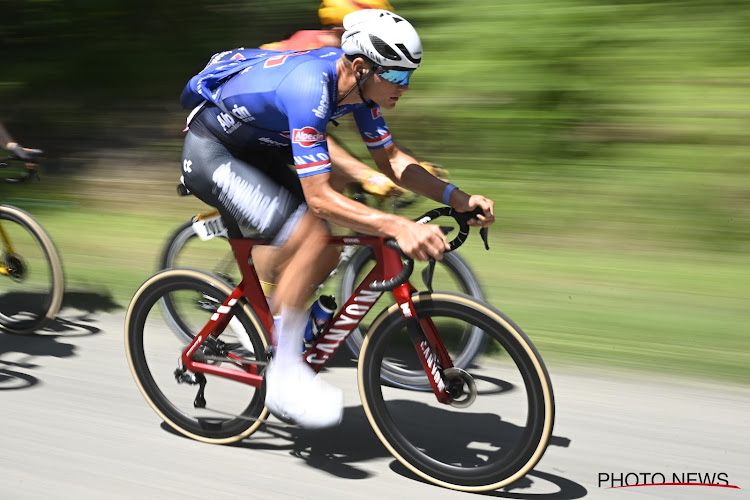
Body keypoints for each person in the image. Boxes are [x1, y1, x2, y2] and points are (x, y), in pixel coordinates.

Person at [179, 9, 495, 428]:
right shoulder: (311, 88)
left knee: (325, 251)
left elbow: (394, 161)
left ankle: (284, 322)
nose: (406, 87)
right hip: (212, 152)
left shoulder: (361, 92)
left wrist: (458, 197)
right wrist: (398, 225)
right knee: (311, 234)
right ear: (363, 67)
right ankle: (284, 374)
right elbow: (320, 198)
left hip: (256, 150)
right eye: (398, 77)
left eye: (409, 76)